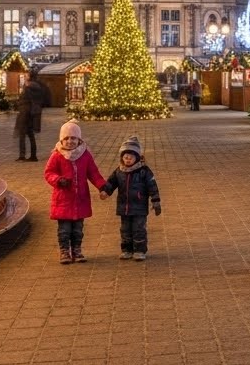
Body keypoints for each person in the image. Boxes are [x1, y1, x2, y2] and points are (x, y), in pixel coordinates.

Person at [44, 120, 106, 264]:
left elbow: (93, 173)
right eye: (66, 138)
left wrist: (102, 186)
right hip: (63, 199)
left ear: (79, 140)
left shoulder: (85, 155)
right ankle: (65, 251)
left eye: (73, 138)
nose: (70, 141)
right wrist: (58, 180)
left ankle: (77, 250)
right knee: (64, 230)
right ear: (61, 140)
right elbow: (49, 173)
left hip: (80, 199)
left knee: (78, 229)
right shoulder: (57, 156)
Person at [98, 136, 161, 261]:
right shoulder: (119, 171)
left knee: (139, 229)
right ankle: (126, 249)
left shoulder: (143, 171)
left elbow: (152, 186)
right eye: (125, 157)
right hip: (124, 206)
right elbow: (111, 183)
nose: (127, 160)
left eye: (130, 157)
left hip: (139, 207)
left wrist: (156, 200)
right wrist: (105, 191)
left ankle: (139, 250)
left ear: (137, 157)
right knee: (125, 229)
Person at [15, 73, 50, 161]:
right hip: (33, 114)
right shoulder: (39, 87)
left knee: (22, 134)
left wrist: (19, 104)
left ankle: (22, 155)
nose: (25, 77)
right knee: (31, 135)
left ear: (30, 78)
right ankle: (33, 155)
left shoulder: (28, 88)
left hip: (25, 113)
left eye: (26, 76)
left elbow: (24, 101)